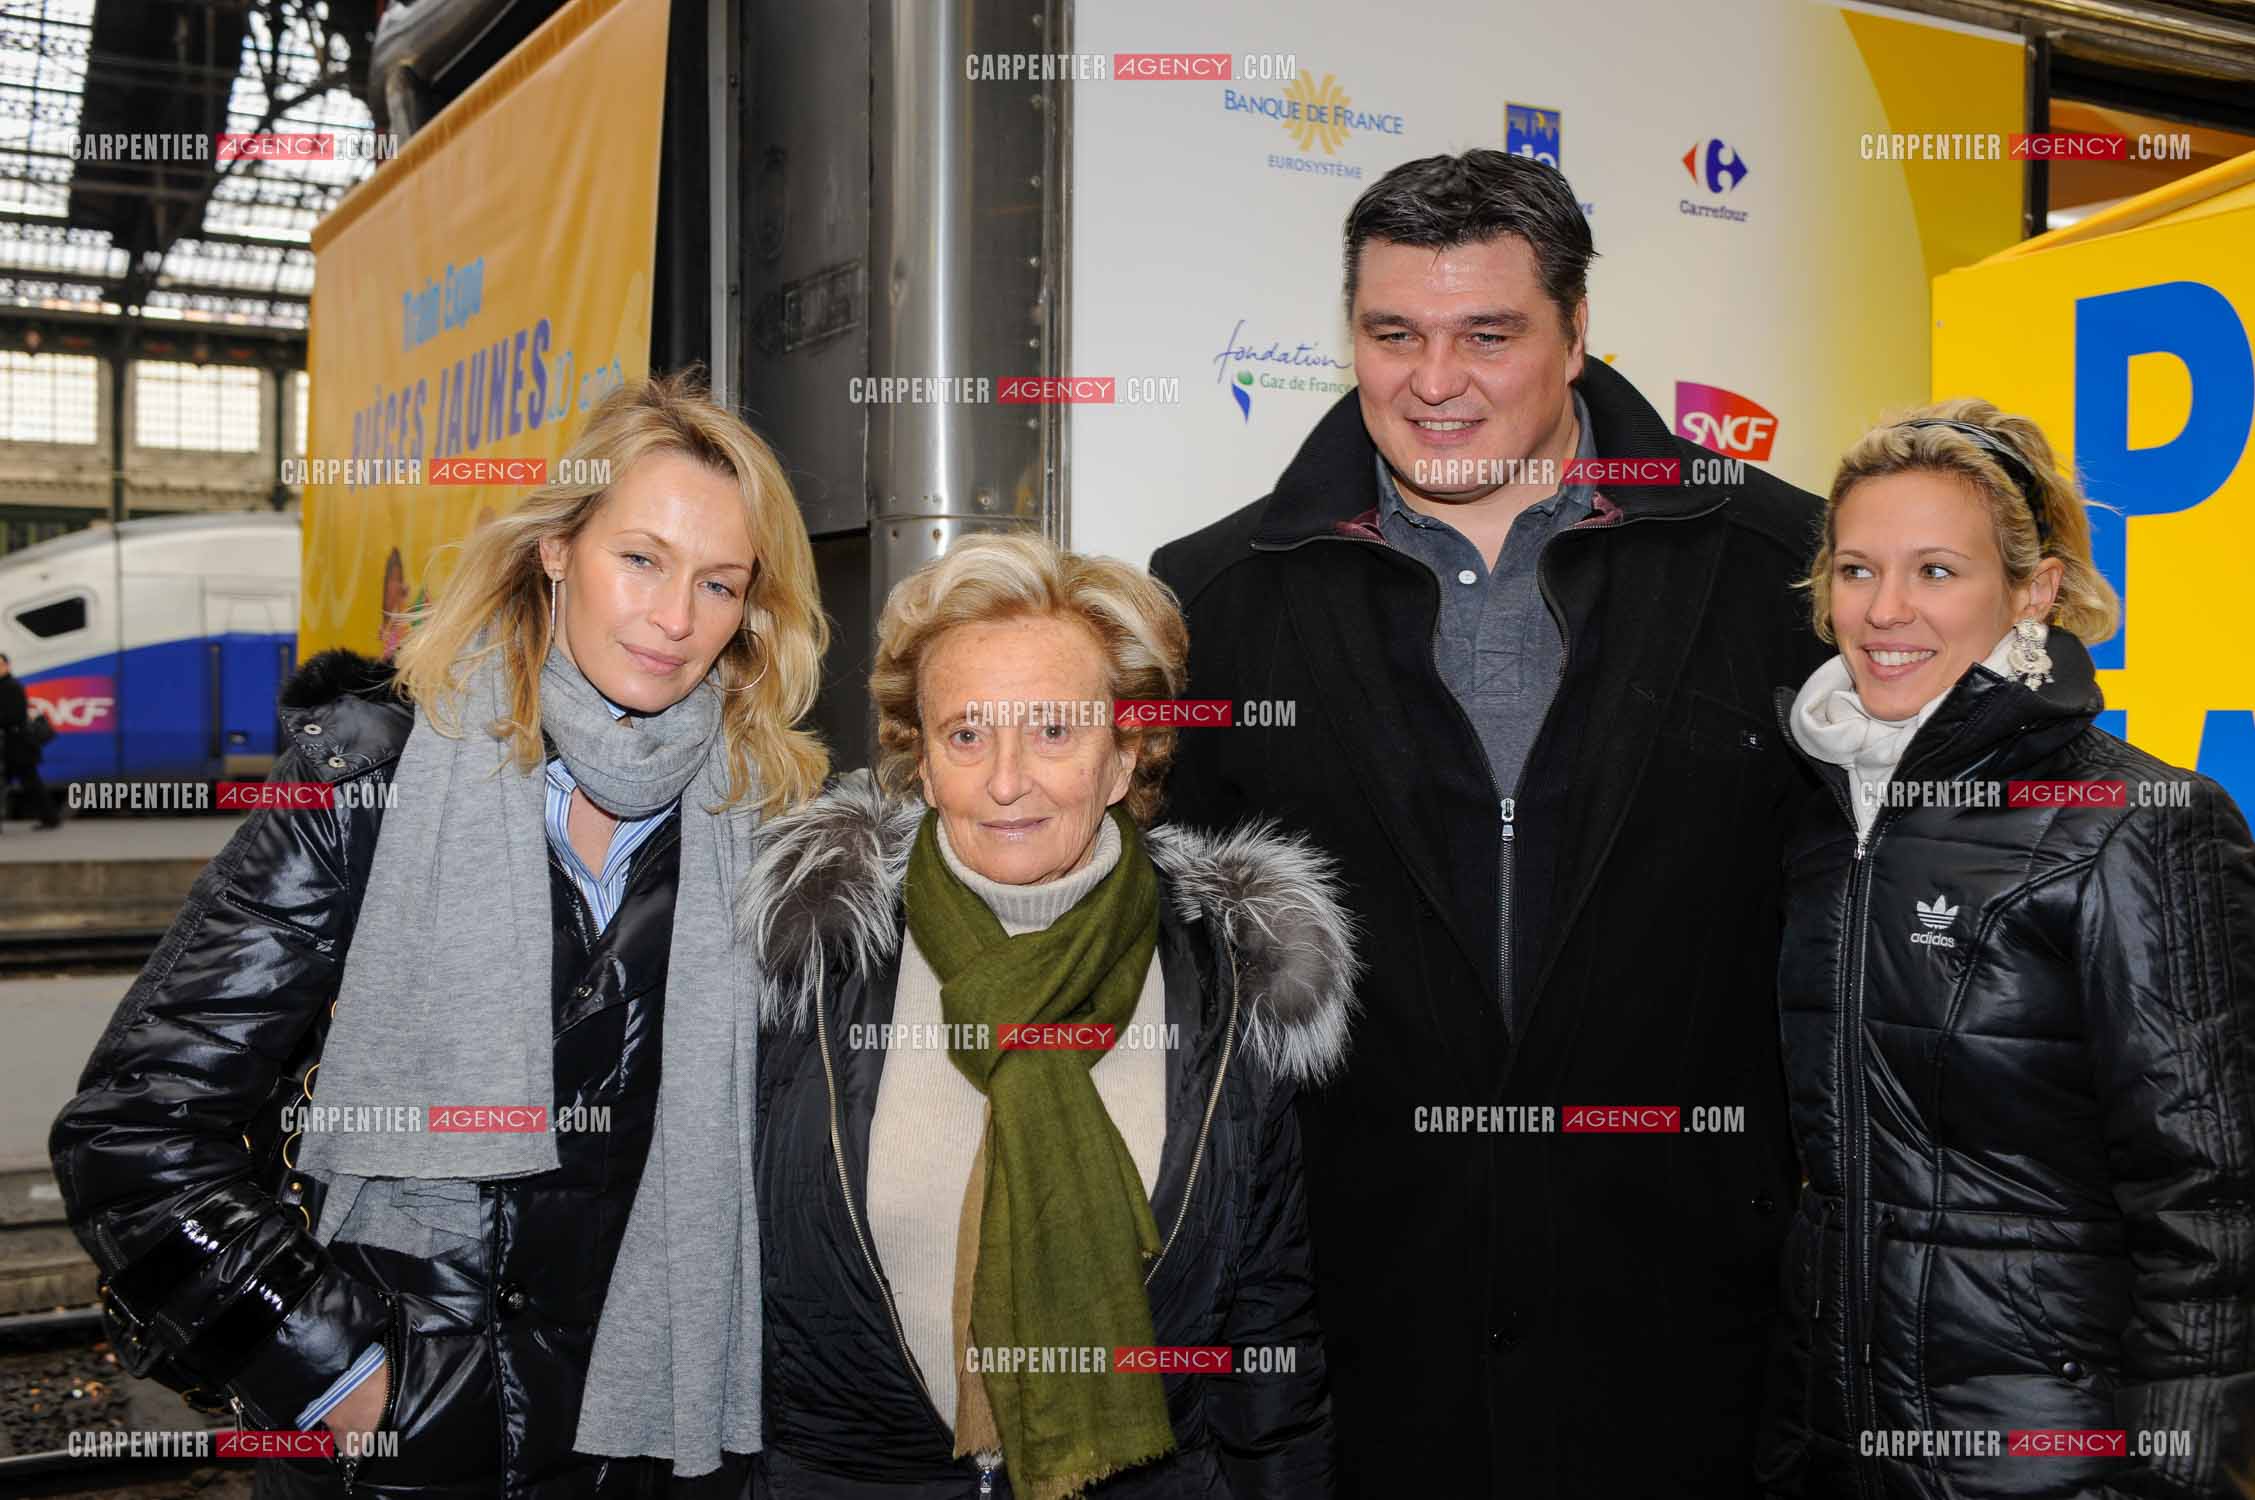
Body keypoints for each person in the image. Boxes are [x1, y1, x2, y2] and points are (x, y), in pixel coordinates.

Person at [1148, 148, 1833, 1496]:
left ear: (1575, 336)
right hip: (1354, 1341)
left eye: (1486, 334)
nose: (1432, 380)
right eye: (1391, 333)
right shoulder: (1215, 598)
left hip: (1698, 1337)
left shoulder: (1778, 568)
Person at [50, 371, 830, 1496]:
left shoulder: (770, 824)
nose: (675, 618)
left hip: (668, 1443)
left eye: (718, 583)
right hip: (412, 1449)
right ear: (556, 548)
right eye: (641, 558)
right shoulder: (372, 780)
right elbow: (134, 1131)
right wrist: (351, 1380)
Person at [746, 532, 1347, 1497]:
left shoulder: (1232, 982)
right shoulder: (811, 959)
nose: (1005, 779)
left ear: (1125, 755)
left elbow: (1267, 1333)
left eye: (1054, 731)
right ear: (921, 761)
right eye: (966, 734)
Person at [1760, 403, 2255, 1498]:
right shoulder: (1818, 818)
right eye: (1855, 569)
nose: (1884, 609)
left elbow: (2212, 1207)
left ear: (2033, 591)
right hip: (1834, 1449)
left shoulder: (2137, 823)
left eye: (1936, 571)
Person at [0, 650, 63, 830]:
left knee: (31, 783)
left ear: (7, 666)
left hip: (19, 745)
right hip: (12, 745)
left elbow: (14, 716)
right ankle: (50, 818)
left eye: (0, 664)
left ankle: (50, 818)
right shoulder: (5, 685)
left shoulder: (12, 686)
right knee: (30, 783)